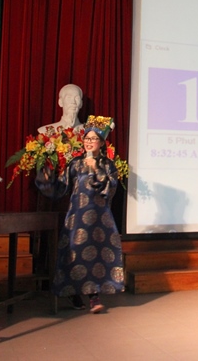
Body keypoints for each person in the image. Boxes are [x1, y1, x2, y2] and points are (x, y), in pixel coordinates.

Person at [36, 115, 124, 313]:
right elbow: (61, 188)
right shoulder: (75, 164)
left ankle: (94, 296)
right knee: (73, 254)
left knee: (96, 257)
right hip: (77, 218)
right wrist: (47, 180)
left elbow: (110, 189)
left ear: (102, 142)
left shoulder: (108, 165)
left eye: (94, 139)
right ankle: (73, 293)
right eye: (87, 138)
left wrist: (96, 169)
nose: (89, 142)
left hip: (100, 220)